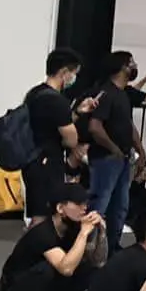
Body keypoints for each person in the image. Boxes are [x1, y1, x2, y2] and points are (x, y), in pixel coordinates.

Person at [0, 189, 104, 291]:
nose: (85, 207)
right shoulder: (42, 233)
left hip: (43, 284)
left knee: (87, 267)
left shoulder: (72, 229)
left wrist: (101, 232)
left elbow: (98, 260)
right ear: (60, 208)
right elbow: (66, 269)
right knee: (47, 269)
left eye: (85, 203)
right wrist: (84, 233)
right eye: (79, 203)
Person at [84, 51, 146, 252]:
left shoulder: (123, 94)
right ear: (121, 67)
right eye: (131, 63)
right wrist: (113, 148)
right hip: (106, 159)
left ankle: (111, 247)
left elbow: (128, 125)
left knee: (120, 206)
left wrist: (139, 150)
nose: (134, 66)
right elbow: (95, 126)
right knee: (100, 203)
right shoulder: (107, 93)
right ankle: (90, 249)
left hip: (122, 158)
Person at [22, 48, 87, 226]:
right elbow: (71, 139)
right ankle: (31, 251)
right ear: (64, 72)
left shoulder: (34, 94)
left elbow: (50, 124)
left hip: (33, 160)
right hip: (48, 162)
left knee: (40, 211)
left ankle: (39, 251)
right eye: (74, 73)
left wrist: (78, 113)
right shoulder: (56, 101)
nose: (74, 78)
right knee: (43, 216)